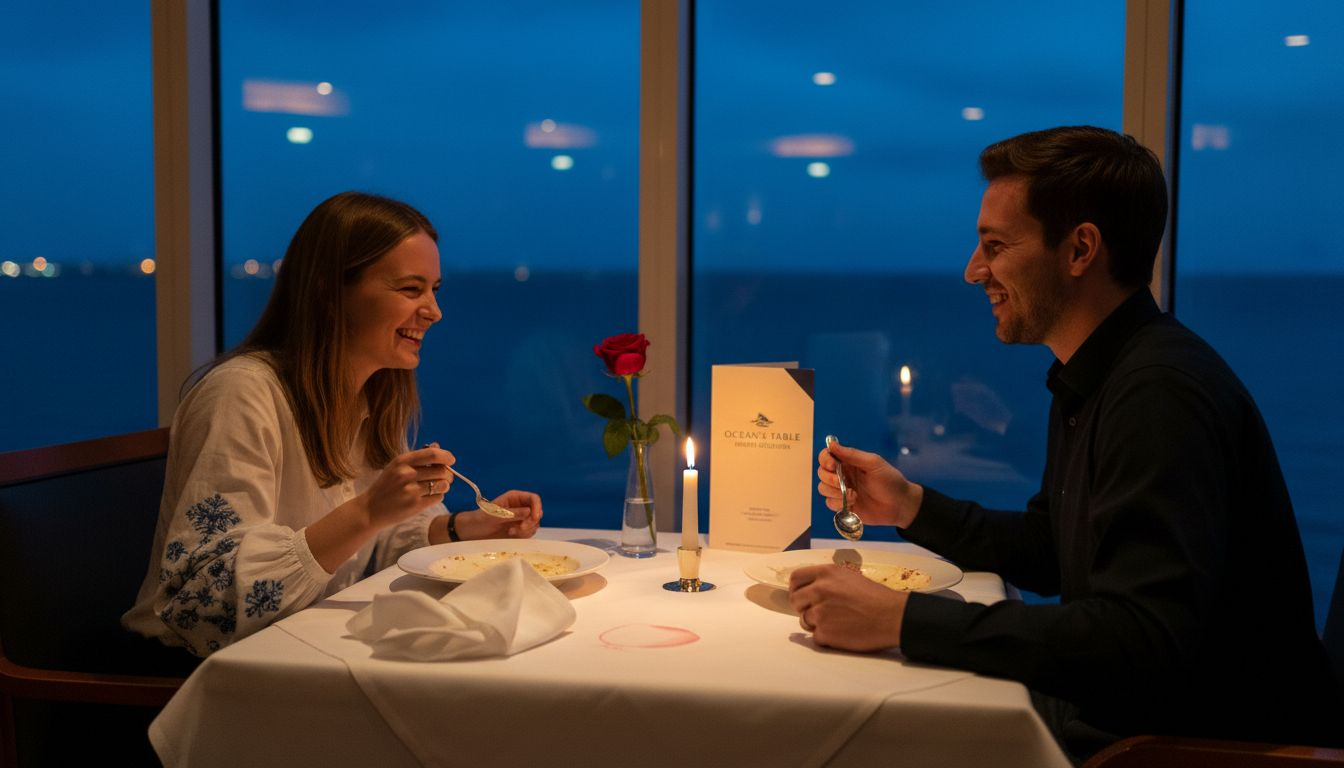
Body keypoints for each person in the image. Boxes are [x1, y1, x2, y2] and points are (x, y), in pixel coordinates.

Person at [789, 126, 1342, 758]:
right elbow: (1053, 550)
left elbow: (1142, 639)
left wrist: (899, 620)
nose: (974, 272)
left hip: (1188, 747)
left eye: (995, 246)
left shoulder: (1159, 393)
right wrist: (909, 504)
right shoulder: (1098, 375)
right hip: (1136, 722)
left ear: (1080, 249)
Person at [123, 191, 542, 659]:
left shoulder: (373, 399)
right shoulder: (241, 395)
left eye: (434, 290)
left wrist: (464, 527)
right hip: (188, 676)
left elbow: (372, 551)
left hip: (297, 650)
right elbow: (206, 606)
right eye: (410, 289)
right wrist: (366, 512)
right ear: (327, 290)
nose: (434, 311)